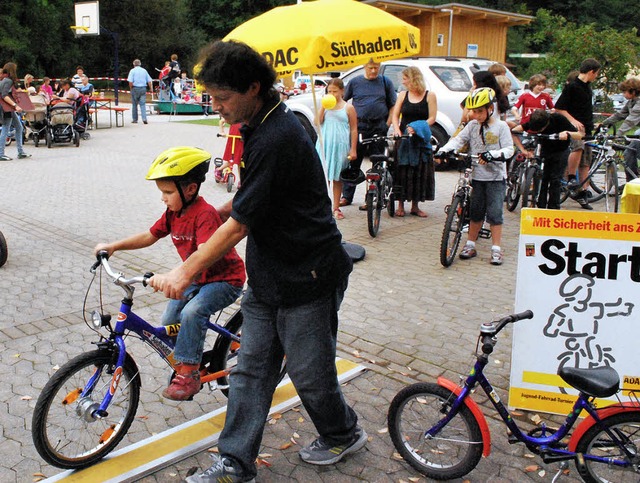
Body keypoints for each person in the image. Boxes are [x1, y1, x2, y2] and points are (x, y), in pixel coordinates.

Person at [149, 40, 364, 483]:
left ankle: (344, 432)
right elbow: (257, 198)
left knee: (309, 373)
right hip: (268, 276)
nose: (216, 106)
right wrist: (224, 206)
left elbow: (240, 226)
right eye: (211, 96)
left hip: (309, 274)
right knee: (250, 371)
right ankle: (235, 462)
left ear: (253, 87)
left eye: (222, 97)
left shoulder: (280, 134)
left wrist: (184, 271)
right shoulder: (255, 125)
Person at [94, 146, 246, 400]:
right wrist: (114, 246)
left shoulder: (205, 214)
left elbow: (205, 252)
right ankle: (185, 358)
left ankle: (189, 372)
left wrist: (172, 274)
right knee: (171, 317)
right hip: (197, 278)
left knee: (193, 311)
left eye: (167, 192)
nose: (162, 198)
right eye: (161, 192)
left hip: (224, 280)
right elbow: (149, 235)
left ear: (190, 189)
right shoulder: (174, 212)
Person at [436, 88, 514, 265]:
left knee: (495, 214)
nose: (476, 115)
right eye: (474, 111)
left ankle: (496, 249)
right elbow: (458, 140)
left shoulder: (501, 126)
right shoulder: (472, 126)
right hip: (477, 177)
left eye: (480, 111)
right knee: (476, 212)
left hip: (495, 178)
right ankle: (470, 244)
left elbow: (509, 150)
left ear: (490, 108)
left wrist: (492, 155)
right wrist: (444, 149)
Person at [340, 58, 396, 209]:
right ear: (365, 67)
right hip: (360, 126)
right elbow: (343, 101)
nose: (373, 71)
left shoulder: (385, 82)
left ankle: (372, 198)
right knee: (354, 160)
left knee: (377, 162)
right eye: (371, 68)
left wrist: (387, 124)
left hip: (379, 126)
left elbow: (393, 106)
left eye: (376, 68)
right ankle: (347, 196)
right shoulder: (355, 82)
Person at [554, 58, 602, 210]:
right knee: (578, 147)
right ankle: (570, 178)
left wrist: (592, 124)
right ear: (591, 72)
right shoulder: (572, 86)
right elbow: (559, 108)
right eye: (597, 74)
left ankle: (584, 191)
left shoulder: (588, 88)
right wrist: (572, 120)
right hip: (575, 129)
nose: (596, 77)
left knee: (586, 160)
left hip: (587, 128)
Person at [391, 66, 436, 217]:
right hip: (404, 138)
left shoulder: (429, 96)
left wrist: (418, 127)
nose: (403, 82)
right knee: (402, 169)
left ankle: (415, 206)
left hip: (420, 138)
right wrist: (397, 129)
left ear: (413, 79)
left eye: (405, 79)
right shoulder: (403, 95)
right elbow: (395, 115)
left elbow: (432, 118)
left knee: (419, 171)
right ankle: (400, 204)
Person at [513, 109, 581, 209]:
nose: (539, 131)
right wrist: (516, 134)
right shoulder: (535, 122)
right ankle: (540, 205)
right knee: (544, 178)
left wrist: (567, 133)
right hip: (545, 150)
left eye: (540, 129)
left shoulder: (558, 119)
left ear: (547, 121)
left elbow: (578, 135)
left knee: (555, 179)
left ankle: (553, 208)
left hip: (560, 150)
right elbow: (518, 129)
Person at [316, 78, 357, 220]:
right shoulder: (326, 106)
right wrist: (323, 106)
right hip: (325, 145)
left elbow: (353, 129)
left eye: (335, 91)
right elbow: (318, 122)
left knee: (337, 177)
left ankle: (336, 207)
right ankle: (323, 207)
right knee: (323, 177)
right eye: (329, 91)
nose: (332, 94)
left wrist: (353, 149)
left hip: (340, 146)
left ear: (342, 91)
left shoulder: (348, 108)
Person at [599, 77, 640, 181]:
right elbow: (619, 115)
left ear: (633, 91)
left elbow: (630, 121)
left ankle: (631, 182)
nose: (623, 94)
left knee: (630, 151)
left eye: (624, 91)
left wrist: (618, 134)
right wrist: (602, 124)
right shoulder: (631, 102)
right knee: (631, 147)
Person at [0, 63, 31, 161]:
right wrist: (15, 105)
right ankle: (1, 154)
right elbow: (4, 95)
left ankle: (20, 152)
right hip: (6, 108)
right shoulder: (8, 81)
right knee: (5, 128)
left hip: (7, 107)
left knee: (19, 127)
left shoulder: (5, 80)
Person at [127, 59, 153, 124]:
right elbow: (149, 81)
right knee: (142, 104)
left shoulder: (132, 71)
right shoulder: (144, 71)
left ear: (133, 64)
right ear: (140, 64)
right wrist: (151, 89)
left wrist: (131, 89)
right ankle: (144, 118)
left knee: (134, 104)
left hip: (135, 88)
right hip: (143, 88)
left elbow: (130, 81)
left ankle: (135, 119)